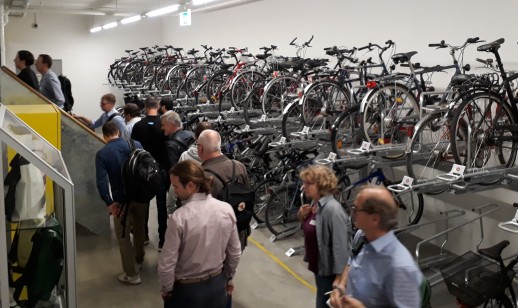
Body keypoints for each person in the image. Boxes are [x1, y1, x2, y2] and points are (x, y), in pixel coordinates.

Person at [158, 160, 241, 308]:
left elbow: (167, 263)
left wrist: (167, 289)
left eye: (176, 186)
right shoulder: (226, 210)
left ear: (190, 185)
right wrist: (227, 278)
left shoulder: (179, 218)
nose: (175, 191)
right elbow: (234, 252)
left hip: (187, 292)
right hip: (217, 285)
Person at [329, 186, 423, 308]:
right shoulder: (363, 239)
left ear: (374, 219)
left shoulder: (399, 267)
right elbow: (352, 262)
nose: (352, 211)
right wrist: (341, 288)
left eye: (357, 209)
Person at [95, 122, 146, 285]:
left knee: (123, 236)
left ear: (105, 136)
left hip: (121, 201)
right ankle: (139, 258)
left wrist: (109, 203)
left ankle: (131, 274)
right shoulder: (136, 144)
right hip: (141, 197)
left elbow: (101, 182)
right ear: (118, 132)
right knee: (139, 228)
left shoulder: (103, 153)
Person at [297, 164, 350, 308]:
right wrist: (302, 217)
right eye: (304, 182)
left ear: (322, 185)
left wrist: (339, 279)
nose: (304, 186)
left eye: (309, 183)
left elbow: (341, 247)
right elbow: (312, 230)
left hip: (330, 274)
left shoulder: (333, 210)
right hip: (319, 268)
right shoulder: (315, 204)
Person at [198, 129, 250, 248]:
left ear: (200, 148)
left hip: (215, 239)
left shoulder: (201, 175)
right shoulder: (239, 166)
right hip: (239, 231)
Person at [131, 97, 169, 250]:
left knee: (143, 204)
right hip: (161, 169)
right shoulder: (164, 124)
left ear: (145, 107)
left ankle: (144, 236)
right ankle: (162, 240)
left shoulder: (138, 126)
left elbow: (134, 149)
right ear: (158, 106)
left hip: (144, 170)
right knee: (162, 205)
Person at [166, 121, 213, 211]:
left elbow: (175, 184)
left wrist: (171, 207)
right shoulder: (220, 158)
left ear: (195, 137)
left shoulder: (185, 156)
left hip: (189, 208)